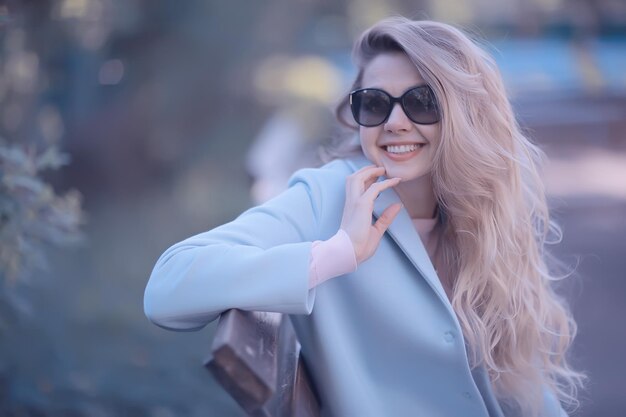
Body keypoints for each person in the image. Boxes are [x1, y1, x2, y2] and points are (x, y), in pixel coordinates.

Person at [144, 16, 584, 417]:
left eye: (422, 101)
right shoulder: (328, 196)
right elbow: (168, 286)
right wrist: (337, 252)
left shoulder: (483, 211)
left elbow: (520, 387)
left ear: (466, 115)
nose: (394, 122)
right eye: (374, 103)